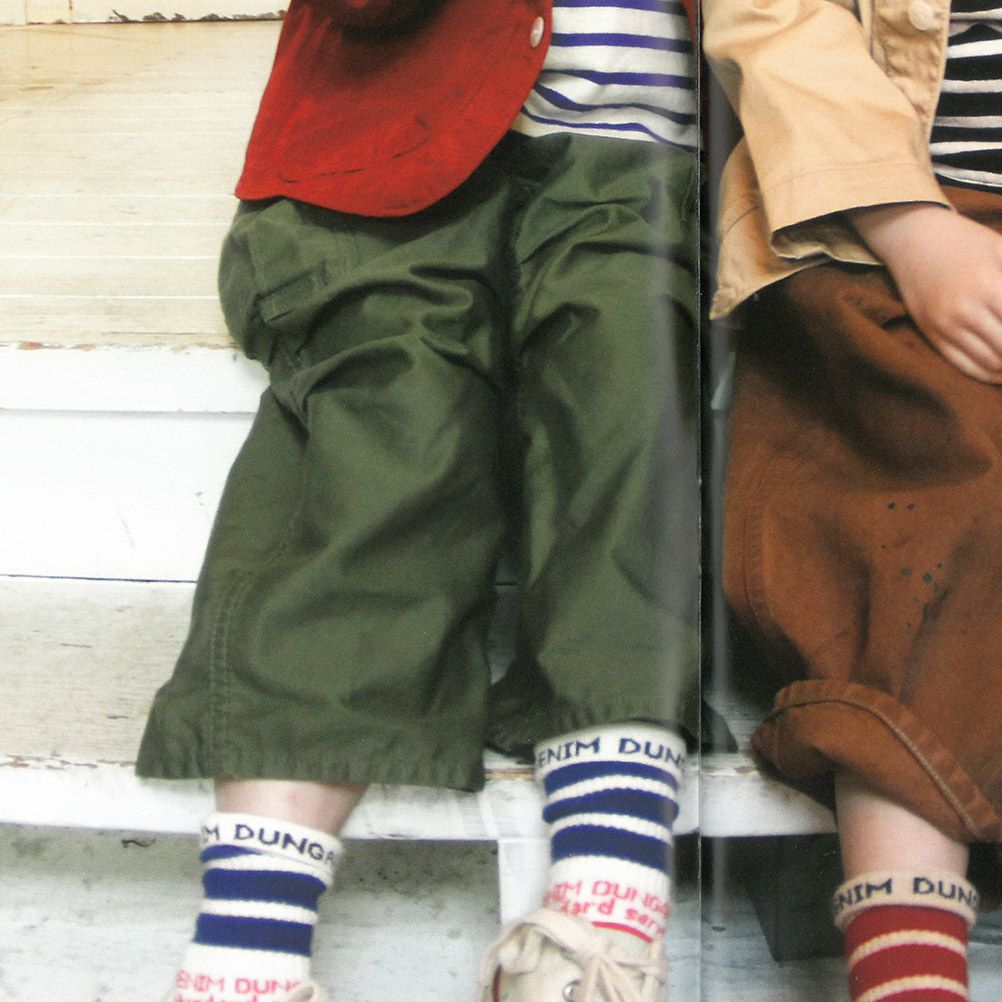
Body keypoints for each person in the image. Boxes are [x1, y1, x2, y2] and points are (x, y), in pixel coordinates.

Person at [136, 1, 700, 1000]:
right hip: (390, 152)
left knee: (628, 402)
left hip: (639, 167)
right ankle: (246, 954)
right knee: (391, 427)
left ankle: (606, 906)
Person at [702, 0, 1002, 998]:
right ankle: (908, 964)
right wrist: (909, 227)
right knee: (926, 492)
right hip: (884, 225)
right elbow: (774, 20)